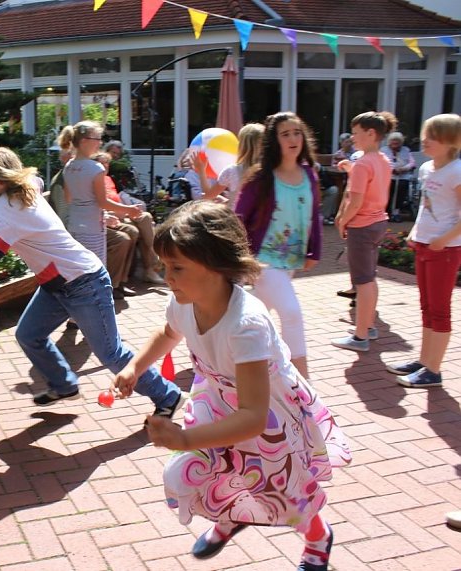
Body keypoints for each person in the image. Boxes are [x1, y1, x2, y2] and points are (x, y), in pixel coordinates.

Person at [113, 201, 351, 571]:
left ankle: (318, 536)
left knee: (283, 491)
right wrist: (135, 367)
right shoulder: (184, 302)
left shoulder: (246, 324)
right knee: (210, 473)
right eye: (165, 265)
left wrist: (186, 439)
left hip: (267, 417)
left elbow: (254, 417)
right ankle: (235, 514)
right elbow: (167, 332)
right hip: (217, 401)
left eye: (176, 267)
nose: (166, 275)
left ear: (217, 265)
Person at [0, 147, 183, 417]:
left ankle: (168, 396)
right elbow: (36, 180)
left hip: (85, 283)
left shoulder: (3, 212)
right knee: (28, 334)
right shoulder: (27, 188)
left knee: (111, 353)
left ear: (2, 180)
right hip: (57, 285)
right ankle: (64, 385)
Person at [235, 112, 322, 379]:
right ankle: (302, 384)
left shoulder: (310, 174)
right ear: (275, 140)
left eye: (297, 132)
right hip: (264, 260)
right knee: (291, 314)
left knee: (253, 317)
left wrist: (314, 251)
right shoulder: (261, 177)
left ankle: (231, 360)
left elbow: (314, 215)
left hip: (291, 261)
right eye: (285, 134)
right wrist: (241, 257)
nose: (293, 138)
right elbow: (238, 218)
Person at [385, 113, 461, 387]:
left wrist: (444, 239)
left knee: (439, 309)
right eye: (426, 133)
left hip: (446, 249)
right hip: (424, 244)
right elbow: (426, 208)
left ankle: (434, 370)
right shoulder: (426, 168)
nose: (425, 140)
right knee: (427, 307)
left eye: (433, 136)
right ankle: (424, 361)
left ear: (450, 141)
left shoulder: (457, 171)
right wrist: (416, 235)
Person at [331, 111, 396, 353]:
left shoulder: (363, 164)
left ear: (371, 134)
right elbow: (370, 187)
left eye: (356, 133)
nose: (352, 138)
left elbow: (355, 202)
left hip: (362, 226)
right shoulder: (382, 160)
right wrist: (351, 169)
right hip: (378, 222)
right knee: (370, 277)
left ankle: (360, 337)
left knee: (363, 281)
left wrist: (342, 222)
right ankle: (367, 327)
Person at [58, 121, 142, 267]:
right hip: (92, 229)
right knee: (95, 269)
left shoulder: (69, 166)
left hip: (74, 226)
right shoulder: (95, 168)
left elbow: (68, 198)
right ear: (84, 141)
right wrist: (130, 210)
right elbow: (103, 202)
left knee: (79, 268)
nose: (100, 142)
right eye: (96, 139)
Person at [95, 151, 166, 288]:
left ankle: (151, 266)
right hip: (110, 216)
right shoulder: (95, 181)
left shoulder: (109, 179)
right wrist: (127, 211)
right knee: (136, 229)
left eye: (107, 163)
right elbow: (101, 204)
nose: (105, 166)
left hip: (121, 213)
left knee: (146, 217)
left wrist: (130, 208)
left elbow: (119, 199)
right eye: (101, 163)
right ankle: (154, 261)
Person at [193, 122, 264, 205]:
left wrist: (202, 171)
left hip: (238, 217)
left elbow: (209, 196)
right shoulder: (274, 170)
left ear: (241, 144)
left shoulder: (231, 171)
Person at [381, 131, 417, 221]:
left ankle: (396, 212)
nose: (395, 143)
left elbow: (412, 162)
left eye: (397, 142)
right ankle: (387, 212)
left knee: (401, 190)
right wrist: (393, 169)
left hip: (403, 175)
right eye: (393, 141)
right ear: (389, 142)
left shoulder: (406, 150)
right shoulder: (383, 150)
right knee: (388, 192)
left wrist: (404, 168)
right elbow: (383, 162)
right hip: (389, 175)